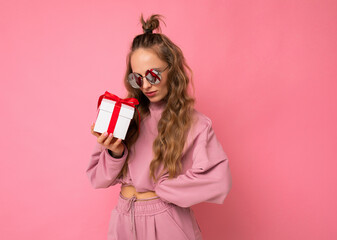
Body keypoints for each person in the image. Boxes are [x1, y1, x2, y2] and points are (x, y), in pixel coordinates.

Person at [86, 13, 232, 240]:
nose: (145, 85)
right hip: (124, 218)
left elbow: (218, 179)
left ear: (171, 70)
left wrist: (163, 189)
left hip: (166, 220)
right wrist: (115, 153)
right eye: (137, 78)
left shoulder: (195, 124)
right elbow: (98, 178)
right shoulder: (126, 115)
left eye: (153, 75)